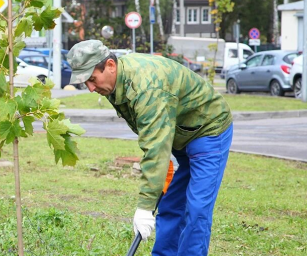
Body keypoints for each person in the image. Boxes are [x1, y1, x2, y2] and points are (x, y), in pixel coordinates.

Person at [68, 40, 233, 256]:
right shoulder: (113, 83)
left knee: (197, 209)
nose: (90, 88)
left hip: (208, 130)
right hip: (178, 133)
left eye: (91, 79)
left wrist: (145, 207)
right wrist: (160, 174)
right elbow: (151, 136)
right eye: (85, 82)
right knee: (171, 205)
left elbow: (155, 146)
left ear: (109, 65)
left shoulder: (146, 86)